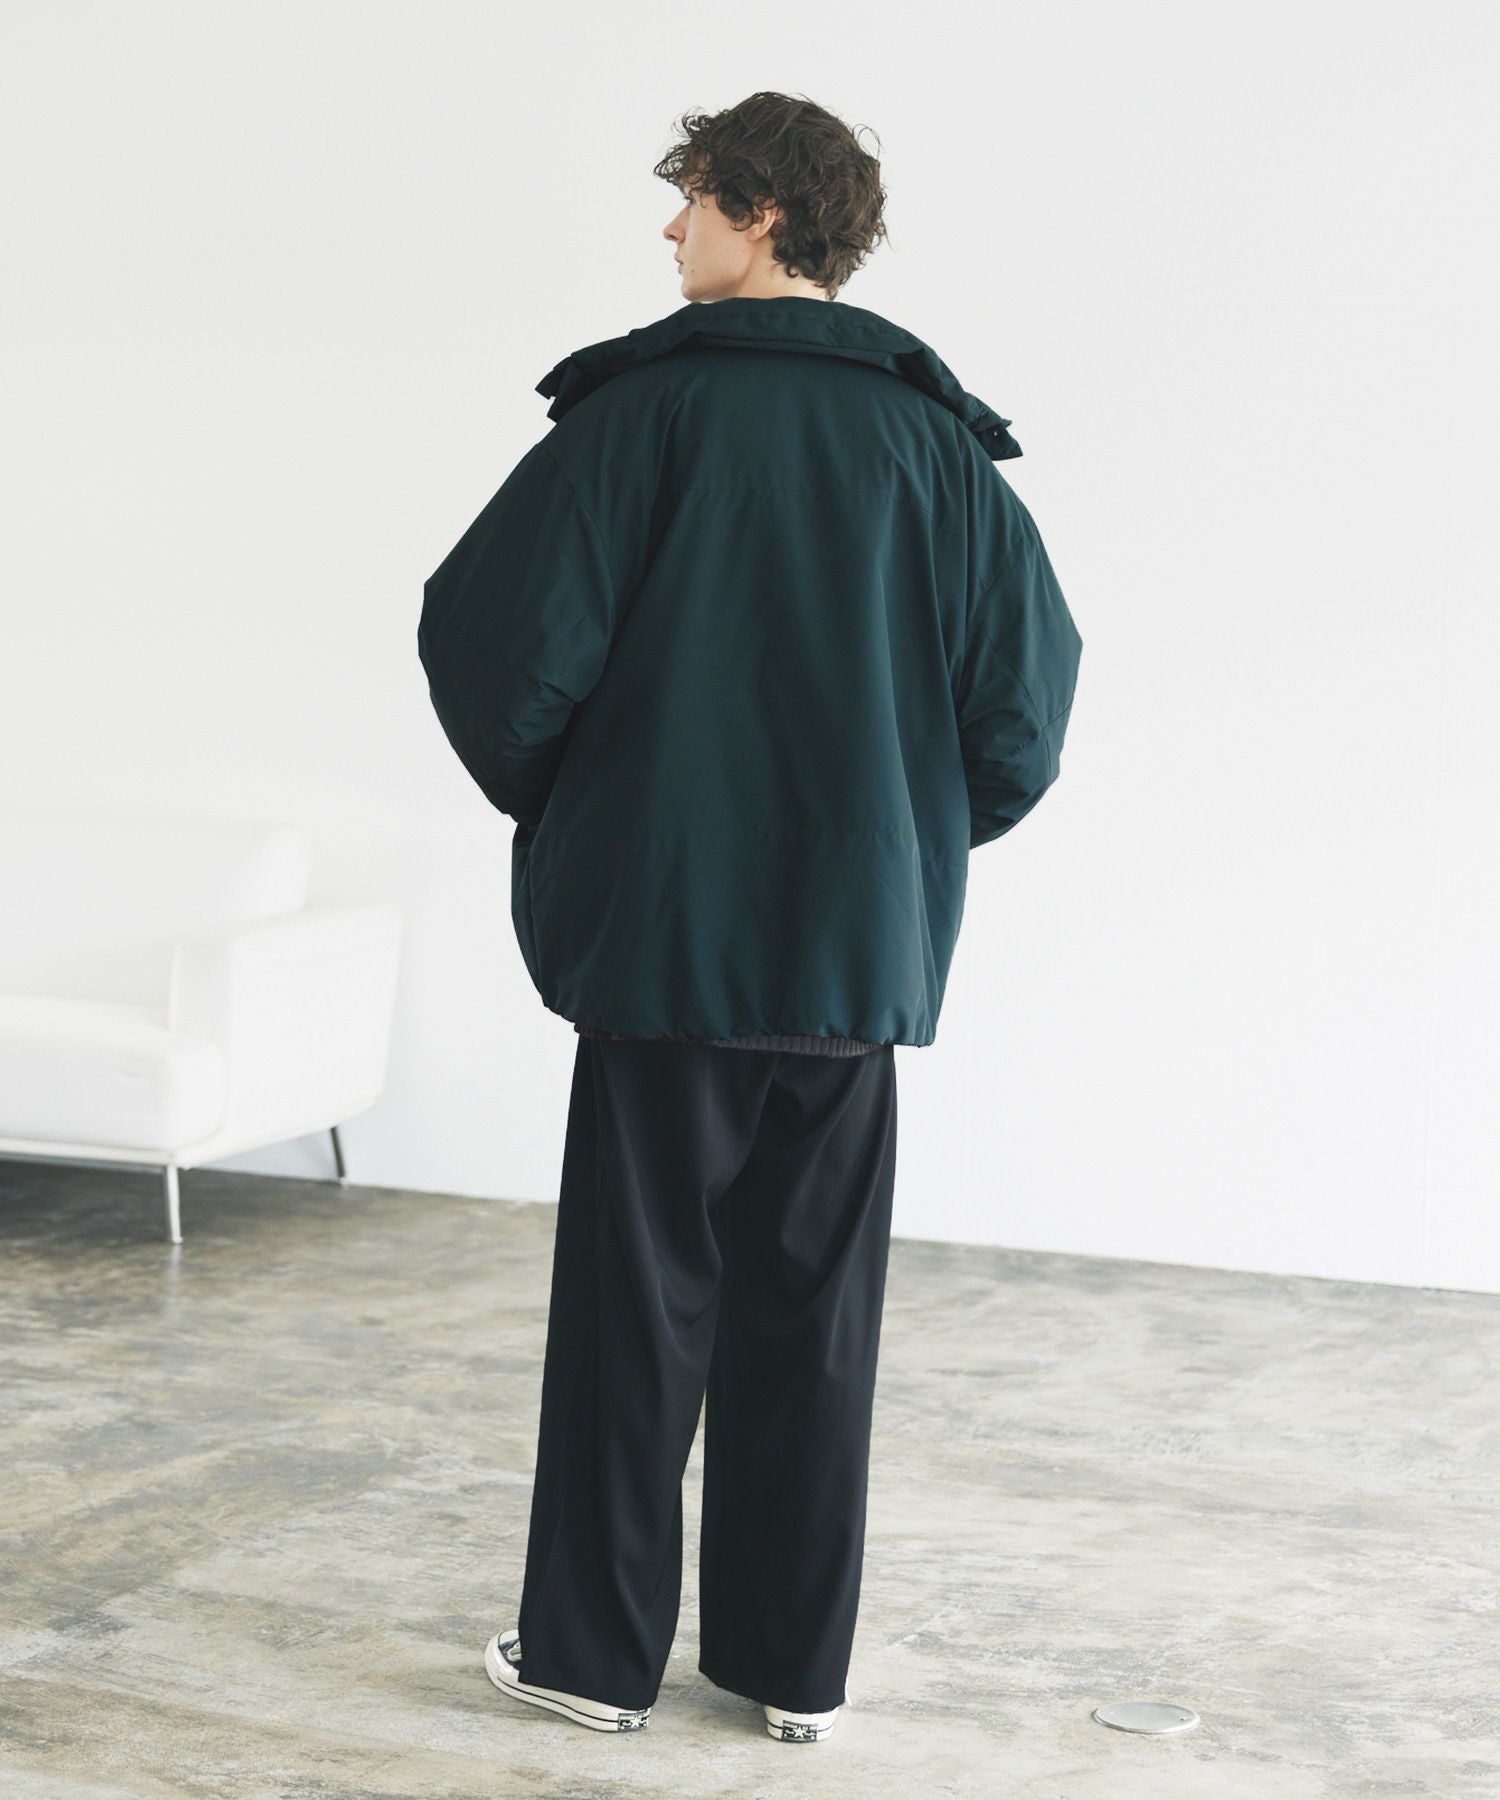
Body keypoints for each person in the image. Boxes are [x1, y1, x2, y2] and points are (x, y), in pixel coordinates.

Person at [418, 90, 1084, 1743]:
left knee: (636, 1311)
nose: (671, 229)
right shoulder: (939, 451)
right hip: (852, 961)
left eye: (694, 200)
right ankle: (792, 1675)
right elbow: (1024, 712)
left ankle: (589, 1661)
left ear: (762, 212)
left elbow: (495, 649)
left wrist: (595, 812)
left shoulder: (639, 419)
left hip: (668, 947)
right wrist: (896, 846)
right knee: (817, 1318)